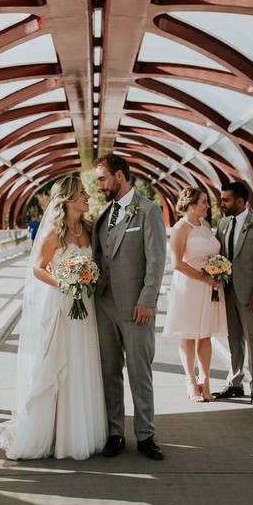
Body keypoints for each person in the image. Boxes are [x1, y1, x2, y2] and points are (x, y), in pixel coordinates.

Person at [0, 175, 107, 460]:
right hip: (61, 305)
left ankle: (82, 429)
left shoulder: (89, 227)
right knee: (60, 363)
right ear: (67, 198)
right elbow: (38, 268)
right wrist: (65, 283)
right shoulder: (54, 231)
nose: (87, 196)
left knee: (83, 361)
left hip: (86, 306)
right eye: (82, 193)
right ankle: (53, 432)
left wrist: (86, 279)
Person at [92, 154, 167, 460]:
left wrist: (147, 300)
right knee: (109, 371)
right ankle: (115, 433)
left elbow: (156, 259)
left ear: (120, 176)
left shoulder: (149, 211)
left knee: (139, 371)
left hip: (137, 307)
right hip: (104, 304)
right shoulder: (102, 214)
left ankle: (146, 435)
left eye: (102, 178)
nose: (99, 185)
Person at [164, 187, 227, 402]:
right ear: (191, 205)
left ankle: (205, 380)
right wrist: (205, 277)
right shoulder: (180, 228)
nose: (207, 207)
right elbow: (177, 263)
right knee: (189, 334)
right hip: (190, 286)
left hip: (210, 286)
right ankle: (191, 381)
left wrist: (219, 270)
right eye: (203, 202)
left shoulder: (206, 226)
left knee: (206, 334)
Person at [212, 181, 253, 405]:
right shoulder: (222, 223)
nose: (222, 203)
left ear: (240, 201)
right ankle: (235, 383)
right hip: (227, 292)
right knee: (233, 339)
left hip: (250, 295)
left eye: (226, 199)